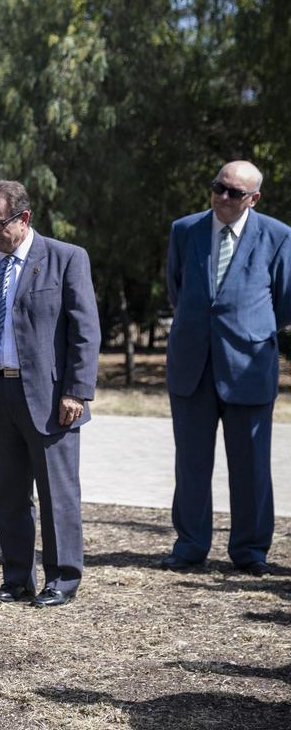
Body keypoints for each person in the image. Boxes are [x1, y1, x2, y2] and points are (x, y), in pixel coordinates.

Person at [0, 181, 100, 608]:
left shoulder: (66, 258)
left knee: (58, 493)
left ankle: (62, 578)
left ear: (24, 218)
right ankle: (17, 577)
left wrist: (77, 390)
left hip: (52, 398)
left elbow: (85, 332)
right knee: (7, 495)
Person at [162, 160, 291, 577]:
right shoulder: (185, 230)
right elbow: (176, 288)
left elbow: (285, 300)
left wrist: (250, 329)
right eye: (218, 187)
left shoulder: (278, 235)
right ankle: (190, 545)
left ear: (253, 198)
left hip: (248, 366)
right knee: (192, 463)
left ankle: (250, 550)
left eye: (233, 192)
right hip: (192, 365)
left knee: (251, 464)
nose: (222, 197)